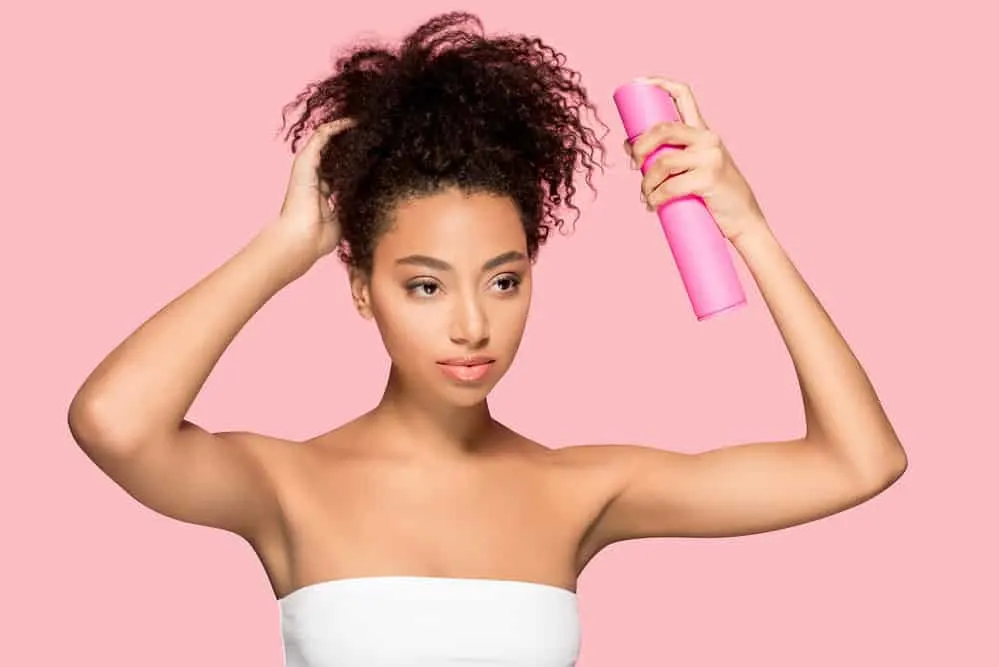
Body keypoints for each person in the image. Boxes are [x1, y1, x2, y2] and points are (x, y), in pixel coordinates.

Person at [67, 11, 907, 667]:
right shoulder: (286, 483)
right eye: (424, 285)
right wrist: (283, 248)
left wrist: (746, 228)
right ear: (362, 287)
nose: (472, 323)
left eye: (503, 280)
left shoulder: (579, 487)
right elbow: (112, 421)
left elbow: (860, 460)